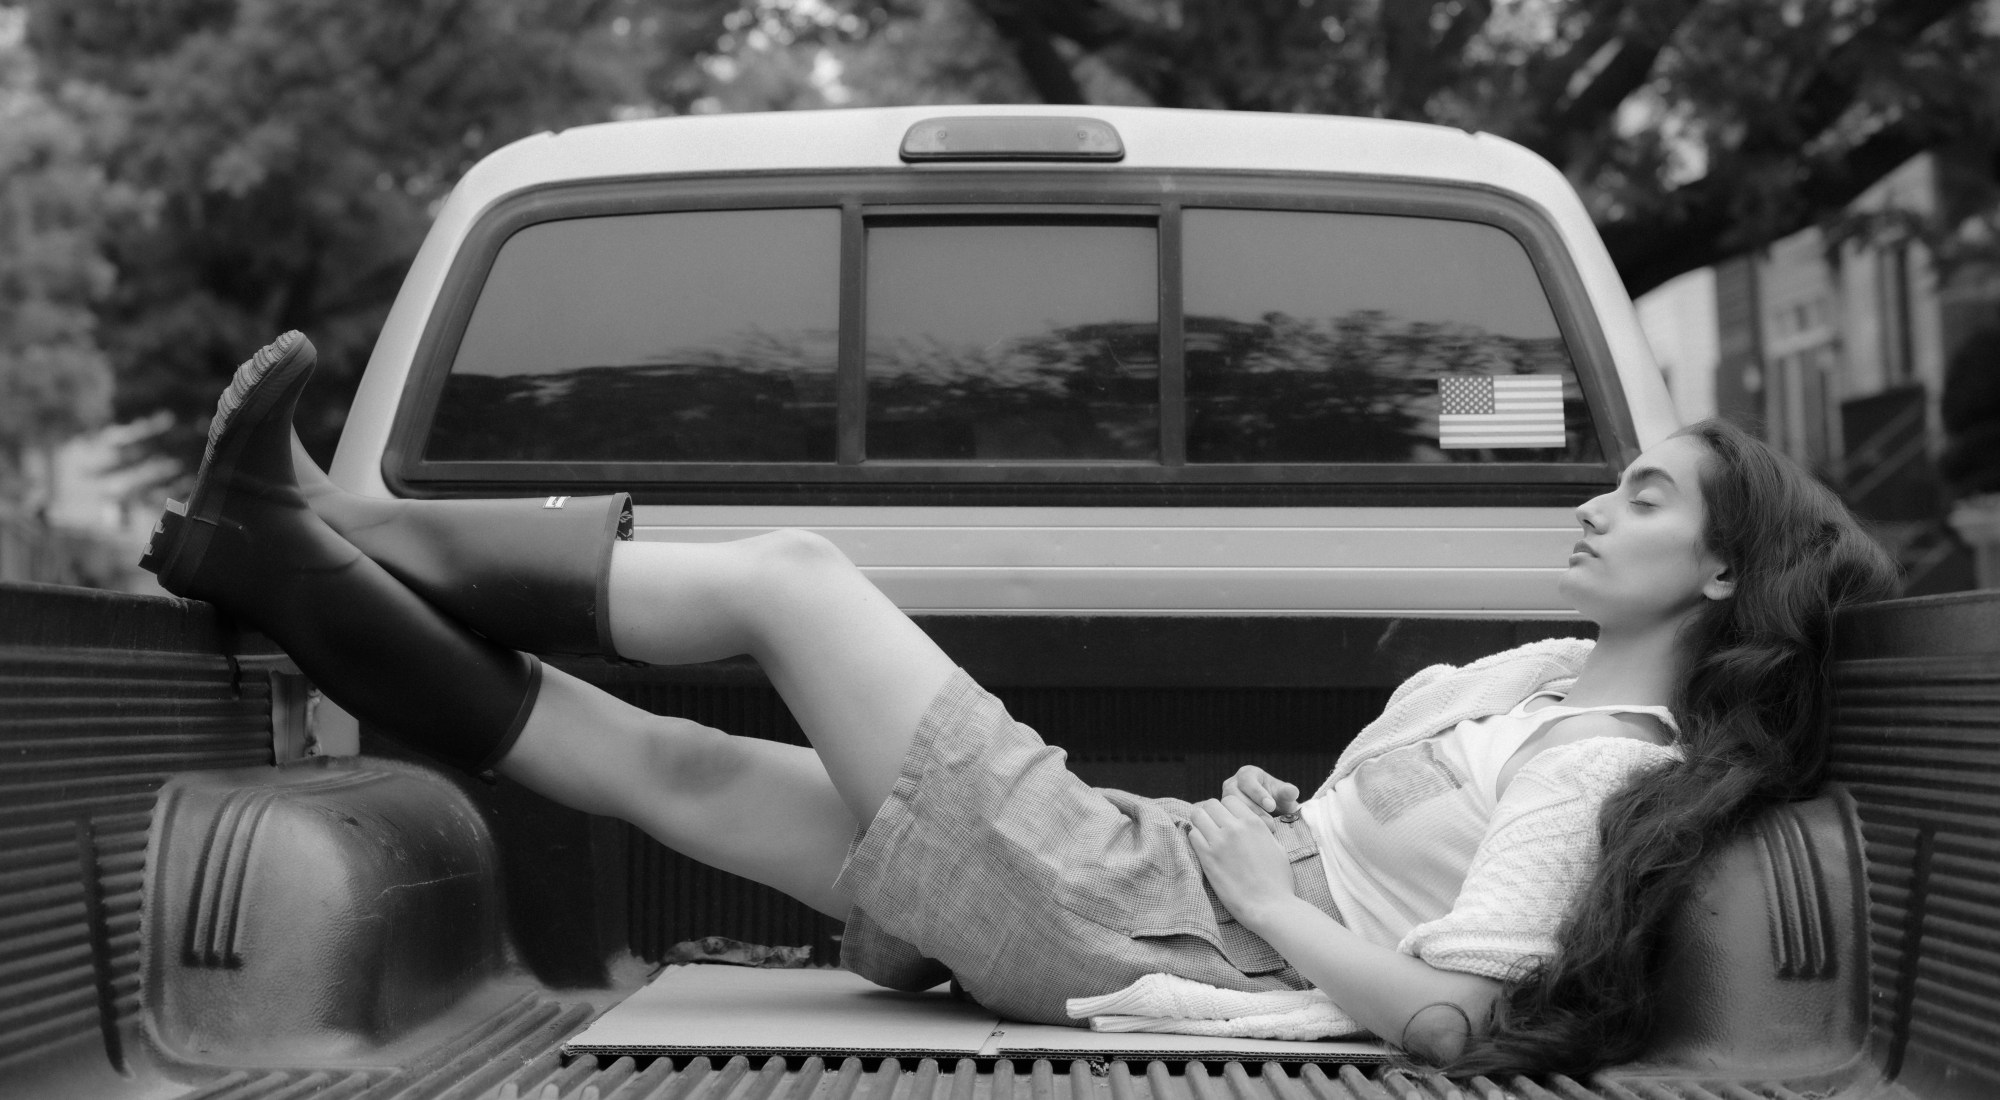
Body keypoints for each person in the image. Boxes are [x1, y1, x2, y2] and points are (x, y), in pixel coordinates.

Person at [141, 332, 1897, 1072]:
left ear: (1727, 575)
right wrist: (1292, 832)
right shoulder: (1542, 674)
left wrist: (1285, 899)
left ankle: (339, 518)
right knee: (657, 764)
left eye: (1648, 499)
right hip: (1153, 867)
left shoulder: (1601, 758)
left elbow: (1451, 1023)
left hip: (1145, 912)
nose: (1598, 500)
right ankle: (277, 567)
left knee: (793, 581)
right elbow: (1382, 830)